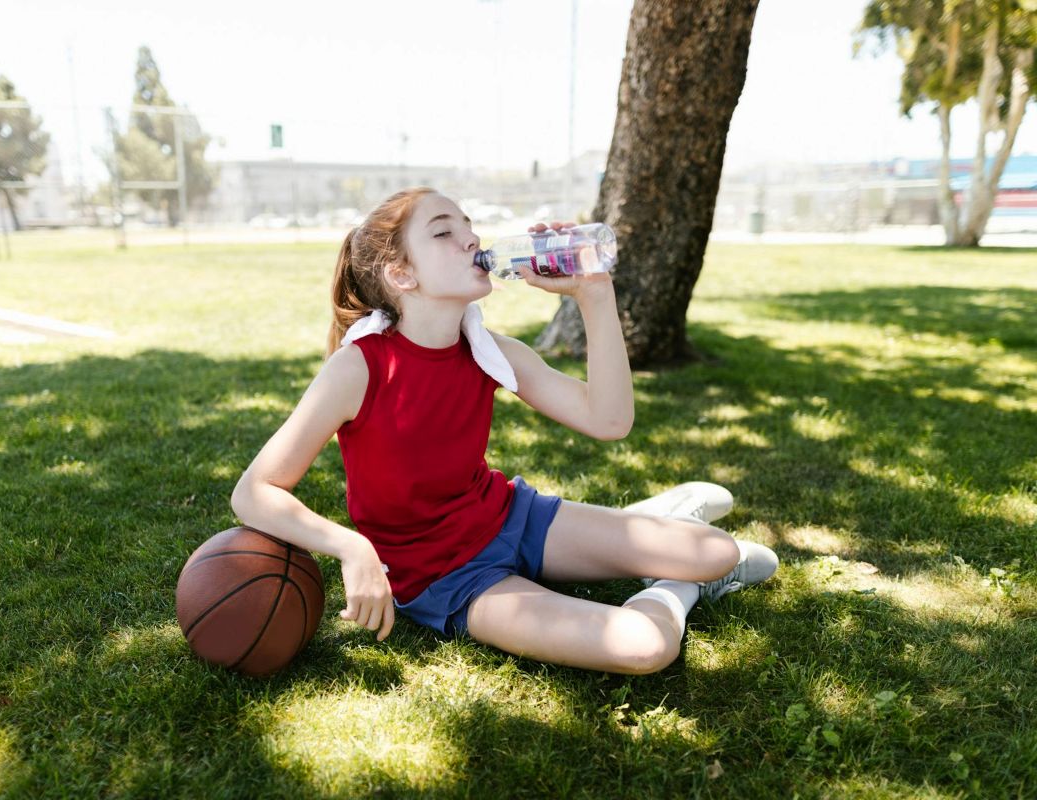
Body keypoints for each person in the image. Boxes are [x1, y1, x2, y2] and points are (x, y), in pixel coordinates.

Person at [231, 187, 777, 674]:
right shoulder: (359, 367)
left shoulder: (490, 352)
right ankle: (673, 582)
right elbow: (254, 491)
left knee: (716, 553)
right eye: (445, 232)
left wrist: (594, 295)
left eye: (469, 226)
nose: (471, 239)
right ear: (402, 274)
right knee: (645, 646)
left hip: (509, 517)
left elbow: (609, 420)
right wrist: (351, 548)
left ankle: (659, 533)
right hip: (446, 576)